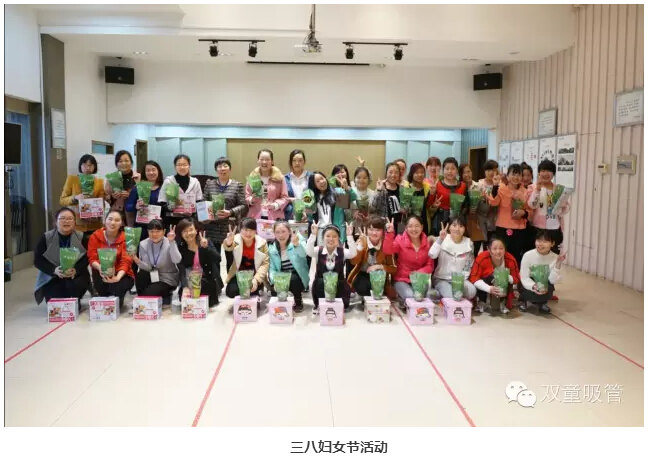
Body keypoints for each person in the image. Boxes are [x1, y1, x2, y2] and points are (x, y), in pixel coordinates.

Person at [201, 157, 248, 289]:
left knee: (231, 258)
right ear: (216, 170)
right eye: (219, 166)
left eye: (225, 166)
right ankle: (216, 285)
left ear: (230, 169)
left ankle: (231, 284)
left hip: (230, 228)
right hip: (212, 227)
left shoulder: (237, 185)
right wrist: (207, 214)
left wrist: (230, 212)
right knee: (214, 258)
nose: (222, 169)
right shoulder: (210, 184)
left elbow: (244, 206)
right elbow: (204, 202)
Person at [34, 207, 91, 305]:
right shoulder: (46, 238)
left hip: (74, 275)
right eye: (62, 218)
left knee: (74, 294)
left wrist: (76, 270)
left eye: (70, 219)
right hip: (53, 275)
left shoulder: (81, 237)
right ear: (56, 222)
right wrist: (54, 270)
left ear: (74, 222)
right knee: (56, 302)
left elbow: (87, 257)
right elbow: (38, 260)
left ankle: (76, 298)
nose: (66, 221)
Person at [382, 215, 434, 311]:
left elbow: (430, 265)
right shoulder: (400, 240)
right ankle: (402, 299)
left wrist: (418, 273)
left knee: (420, 298)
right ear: (406, 228)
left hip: (419, 279)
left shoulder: (427, 243)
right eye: (410, 226)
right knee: (410, 297)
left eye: (417, 226)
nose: (414, 229)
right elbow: (387, 250)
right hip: (401, 279)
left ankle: (404, 301)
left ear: (422, 227)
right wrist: (389, 233)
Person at [87, 210, 135, 309]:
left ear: (121, 223)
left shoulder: (128, 238)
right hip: (101, 271)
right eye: (110, 219)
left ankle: (118, 293)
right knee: (105, 302)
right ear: (105, 220)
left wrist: (117, 278)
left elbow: (126, 261)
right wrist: (100, 268)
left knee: (116, 303)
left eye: (117, 220)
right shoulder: (95, 236)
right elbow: (92, 258)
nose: (113, 223)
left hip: (122, 274)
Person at [306, 222, 357, 315]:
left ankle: (338, 304)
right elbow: (309, 251)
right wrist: (313, 235)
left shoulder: (342, 252)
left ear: (338, 238)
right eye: (328, 236)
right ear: (323, 238)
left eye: (334, 236)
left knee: (340, 287)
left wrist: (349, 236)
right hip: (321, 286)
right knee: (320, 282)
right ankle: (320, 305)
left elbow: (353, 253)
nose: (331, 239)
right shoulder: (318, 250)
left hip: (338, 285)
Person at [485, 163, 530, 266]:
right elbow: (493, 202)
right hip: (503, 227)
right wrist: (495, 186)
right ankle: (500, 274)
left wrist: (523, 213)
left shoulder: (525, 192)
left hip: (519, 229)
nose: (516, 177)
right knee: (501, 255)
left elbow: (530, 210)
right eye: (513, 174)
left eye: (519, 175)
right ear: (508, 176)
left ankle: (514, 274)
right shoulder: (501, 188)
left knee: (516, 256)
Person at [347, 217, 397, 306]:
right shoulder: (362, 240)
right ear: (367, 230)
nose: (374, 233)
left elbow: (394, 268)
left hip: (380, 277)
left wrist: (379, 266)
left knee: (377, 289)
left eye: (378, 230)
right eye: (371, 229)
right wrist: (360, 247)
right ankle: (363, 297)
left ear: (383, 231)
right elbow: (353, 262)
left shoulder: (386, 243)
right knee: (363, 287)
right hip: (363, 274)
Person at [131, 219, 181, 307]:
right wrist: (136, 260)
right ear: (148, 232)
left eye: (158, 231)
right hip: (152, 274)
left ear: (164, 231)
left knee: (148, 294)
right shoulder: (143, 244)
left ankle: (148, 300)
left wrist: (172, 242)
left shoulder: (169, 242)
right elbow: (148, 267)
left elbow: (177, 260)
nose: (154, 234)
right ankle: (149, 300)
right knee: (141, 275)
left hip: (167, 278)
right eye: (151, 231)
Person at [469, 236, 520, 314]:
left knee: (504, 278)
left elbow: (516, 279)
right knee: (488, 277)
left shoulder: (510, 259)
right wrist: (488, 288)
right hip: (486, 282)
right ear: (489, 249)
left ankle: (503, 303)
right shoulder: (482, 258)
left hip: (504, 286)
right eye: (495, 248)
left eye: (501, 248)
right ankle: (482, 301)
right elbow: (473, 277)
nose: (498, 251)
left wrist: (506, 276)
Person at [223, 217, 270, 303]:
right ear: (240, 230)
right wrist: (228, 243)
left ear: (256, 231)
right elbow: (228, 247)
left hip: (254, 274)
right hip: (240, 274)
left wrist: (256, 280)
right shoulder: (235, 239)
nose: (248, 233)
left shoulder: (262, 243)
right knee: (231, 291)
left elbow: (265, 264)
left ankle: (258, 287)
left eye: (251, 230)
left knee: (252, 288)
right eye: (245, 230)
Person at [519, 229, 567, 314]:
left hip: (544, 283)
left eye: (545, 241)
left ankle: (542, 303)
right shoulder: (528, 255)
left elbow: (552, 280)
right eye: (538, 241)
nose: (540, 244)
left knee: (548, 288)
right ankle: (524, 300)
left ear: (552, 244)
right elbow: (524, 277)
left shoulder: (555, 257)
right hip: (531, 282)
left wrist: (558, 263)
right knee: (524, 287)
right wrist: (533, 286)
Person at [527, 160, 569, 254]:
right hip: (538, 228)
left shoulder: (559, 189)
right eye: (543, 170)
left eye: (549, 171)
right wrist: (537, 190)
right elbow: (532, 205)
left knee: (554, 255)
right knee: (537, 255)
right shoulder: (532, 187)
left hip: (555, 227)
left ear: (553, 174)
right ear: (539, 173)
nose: (546, 173)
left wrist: (560, 208)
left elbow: (566, 208)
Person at [428, 217, 476, 300]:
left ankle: (443, 295)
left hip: (459, 280)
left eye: (461, 226)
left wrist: (461, 280)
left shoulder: (469, 243)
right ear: (449, 227)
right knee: (450, 296)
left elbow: (468, 264)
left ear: (465, 229)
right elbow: (432, 255)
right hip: (442, 279)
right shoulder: (443, 238)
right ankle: (439, 293)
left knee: (472, 291)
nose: (457, 229)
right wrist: (440, 239)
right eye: (454, 225)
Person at [176, 218, 220, 307]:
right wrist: (185, 286)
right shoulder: (181, 248)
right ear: (181, 234)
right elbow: (182, 270)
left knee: (205, 299)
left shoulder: (205, 241)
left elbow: (218, 259)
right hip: (190, 281)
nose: (188, 233)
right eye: (185, 231)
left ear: (196, 230)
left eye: (191, 230)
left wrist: (206, 248)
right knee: (184, 297)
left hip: (207, 279)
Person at [268, 220, 310, 313]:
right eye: (277, 232)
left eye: (283, 231)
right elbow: (272, 268)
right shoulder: (272, 247)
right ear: (274, 233)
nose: (281, 235)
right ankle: (283, 304)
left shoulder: (298, 239)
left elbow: (304, 254)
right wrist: (274, 281)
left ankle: (298, 300)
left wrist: (297, 245)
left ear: (289, 231)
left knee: (294, 280)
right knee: (274, 290)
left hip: (297, 275)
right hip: (282, 275)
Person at [60, 154, 106, 237]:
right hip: (77, 225)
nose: (87, 168)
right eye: (84, 165)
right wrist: (75, 197)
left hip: (94, 224)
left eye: (90, 165)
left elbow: (102, 202)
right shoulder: (72, 179)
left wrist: (97, 212)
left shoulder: (99, 182)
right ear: (80, 166)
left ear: (94, 167)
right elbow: (62, 200)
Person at [307, 171, 356, 246]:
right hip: (320, 232)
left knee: (338, 253)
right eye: (317, 181)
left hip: (336, 231)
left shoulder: (337, 192)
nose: (321, 181)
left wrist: (346, 187)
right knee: (321, 253)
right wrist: (307, 208)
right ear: (314, 185)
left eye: (322, 178)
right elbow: (310, 216)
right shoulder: (312, 197)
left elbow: (352, 199)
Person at [158, 154, 204, 231]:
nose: (182, 167)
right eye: (179, 165)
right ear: (175, 167)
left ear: (189, 166)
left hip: (190, 221)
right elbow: (162, 203)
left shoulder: (195, 182)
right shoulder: (169, 181)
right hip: (172, 221)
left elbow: (199, 202)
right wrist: (172, 205)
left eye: (185, 165)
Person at [427, 157, 468, 237]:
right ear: (443, 170)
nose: (450, 171)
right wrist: (432, 194)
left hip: (457, 221)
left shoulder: (463, 186)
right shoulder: (437, 184)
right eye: (447, 168)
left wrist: (460, 214)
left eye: (453, 168)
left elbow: (466, 205)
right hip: (440, 220)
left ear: (457, 171)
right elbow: (429, 204)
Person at [125, 160, 164, 241]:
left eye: (153, 170)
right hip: (142, 227)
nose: (151, 172)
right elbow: (128, 206)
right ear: (144, 173)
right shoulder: (138, 188)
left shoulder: (164, 188)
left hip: (159, 227)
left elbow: (168, 207)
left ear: (158, 171)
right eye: (148, 170)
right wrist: (136, 206)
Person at [245, 149, 288, 221]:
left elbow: (285, 198)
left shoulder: (279, 178)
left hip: (274, 216)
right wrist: (252, 199)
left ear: (272, 161)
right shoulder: (253, 177)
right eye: (261, 159)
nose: (264, 162)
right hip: (255, 216)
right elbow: (247, 197)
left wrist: (274, 205)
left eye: (267, 159)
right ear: (258, 161)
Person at [104, 150, 140, 225]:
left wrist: (131, 196)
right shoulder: (112, 178)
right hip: (116, 214)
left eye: (126, 160)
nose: (123, 163)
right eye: (120, 161)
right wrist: (112, 197)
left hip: (134, 214)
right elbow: (106, 195)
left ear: (131, 162)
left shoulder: (139, 177)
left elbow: (144, 196)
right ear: (116, 164)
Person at [460, 163, 487, 256]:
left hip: (476, 222)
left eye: (468, 171)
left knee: (475, 249)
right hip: (462, 221)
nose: (467, 174)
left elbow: (485, 209)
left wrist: (484, 200)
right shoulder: (459, 187)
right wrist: (467, 209)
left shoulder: (479, 186)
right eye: (464, 173)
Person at [372, 162, 404, 232]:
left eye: (396, 172)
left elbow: (407, 209)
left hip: (400, 224)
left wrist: (406, 209)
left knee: (400, 238)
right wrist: (378, 191)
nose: (393, 175)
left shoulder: (402, 188)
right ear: (386, 173)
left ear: (399, 174)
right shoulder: (381, 187)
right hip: (384, 225)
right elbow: (373, 207)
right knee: (387, 238)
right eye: (390, 172)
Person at [284, 149, 312, 220]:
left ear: (304, 162)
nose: (297, 163)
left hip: (309, 215)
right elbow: (282, 197)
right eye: (294, 160)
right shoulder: (285, 179)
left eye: (300, 160)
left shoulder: (311, 177)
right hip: (290, 216)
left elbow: (315, 196)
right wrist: (290, 199)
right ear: (291, 162)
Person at [407, 162, 432, 234]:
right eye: (417, 173)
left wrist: (434, 206)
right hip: (410, 223)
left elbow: (429, 207)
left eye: (422, 172)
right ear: (412, 174)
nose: (420, 175)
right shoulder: (406, 188)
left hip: (423, 221)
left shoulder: (427, 188)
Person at [478, 160, 500, 242]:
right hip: (483, 218)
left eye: (493, 170)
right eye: (488, 170)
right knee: (484, 240)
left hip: (496, 218)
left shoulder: (500, 184)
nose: (491, 173)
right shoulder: (480, 184)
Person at [350, 166, 376, 231]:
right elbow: (341, 211)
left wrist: (370, 216)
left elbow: (376, 212)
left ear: (369, 180)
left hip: (368, 227)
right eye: (358, 177)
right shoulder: (349, 191)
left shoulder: (373, 193)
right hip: (351, 228)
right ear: (354, 179)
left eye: (364, 178)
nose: (361, 180)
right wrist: (353, 213)